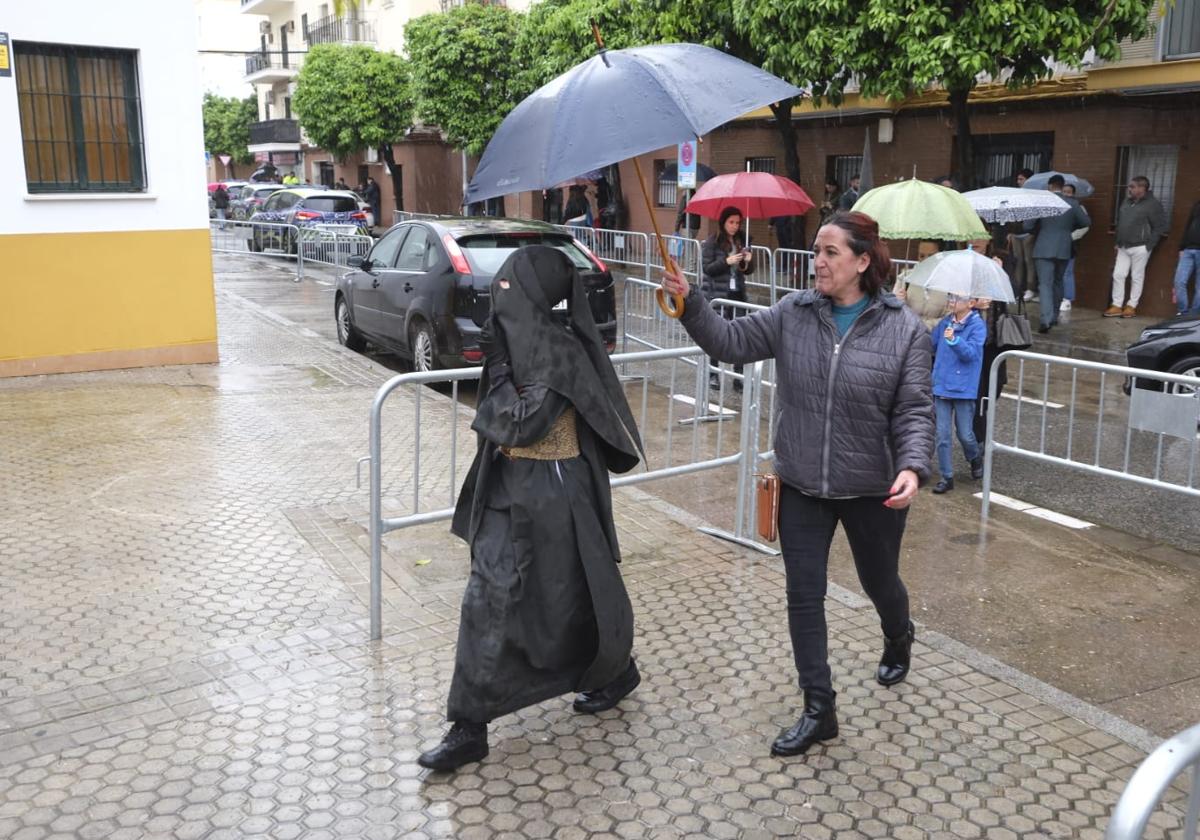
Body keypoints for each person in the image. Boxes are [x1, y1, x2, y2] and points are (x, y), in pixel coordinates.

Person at [660, 211, 933, 758]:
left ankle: (898, 632)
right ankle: (818, 708)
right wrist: (691, 301)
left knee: (880, 581)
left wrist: (912, 466)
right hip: (803, 482)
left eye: (831, 253)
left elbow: (914, 411)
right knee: (803, 597)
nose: (818, 263)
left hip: (872, 488)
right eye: (816, 251)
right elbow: (730, 343)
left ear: (862, 261)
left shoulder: (904, 328)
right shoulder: (794, 313)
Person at [418, 246, 646, 772]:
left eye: (506, 290)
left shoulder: (559, 353)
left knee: (572, 594)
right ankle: (470, 725)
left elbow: (522, 422)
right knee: (489, 597)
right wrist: (501, 363)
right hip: (510, 488)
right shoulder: (521, 343)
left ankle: (615, 670)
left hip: (557, 495)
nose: (497, 302)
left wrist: (496, 370)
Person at [930, 293, 986, 494]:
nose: (952, 301)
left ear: (971, 303)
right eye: (951, 297)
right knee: (942, 435)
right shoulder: (946, 321)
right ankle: (947, 477)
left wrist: (954, 340)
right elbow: (931, 344)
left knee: (965, 434)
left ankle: (974, 457)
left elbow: (971, 354)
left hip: (963, 388)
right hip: (941, 385)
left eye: (957, 299)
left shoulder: (977, 326)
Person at [1023, 174, 1090, 333]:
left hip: (1044, 247)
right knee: (1058, 282)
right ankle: (1053, 317)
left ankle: (1045, 320)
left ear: (1050, 186)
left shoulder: (1042, 203)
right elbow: (1086, 222)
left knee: (1045, 284)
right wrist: (1068, 229)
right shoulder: (1072, 203)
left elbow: (1027, 225)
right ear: (1062, 186)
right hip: (1064, 247)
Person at [700, 206, 755, 389]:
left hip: (737, 294)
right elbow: (707, 269)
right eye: (731, 222)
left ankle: (738, 377)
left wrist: (748, 262)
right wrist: (726, 262)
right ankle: (713, 373)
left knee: (740, 334)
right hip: (718, 295)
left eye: (737, 223)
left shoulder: (742, 241)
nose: (734, 226)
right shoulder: (712, 243)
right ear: (723, 222)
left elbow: (747, 271)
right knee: (718, 334)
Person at [1107, 176, 1168, 318]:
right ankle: (1116, 305)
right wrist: (1117, 241)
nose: (1129, 189)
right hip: (1123, 246)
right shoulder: (1126, 202)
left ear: (1142, 188)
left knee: (1137, 276)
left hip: (1141, 246)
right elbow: (1120, 222)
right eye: (1130, 186)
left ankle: (1131, 306)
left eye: (1132, 186)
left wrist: (1148, 245)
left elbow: (1159, 226)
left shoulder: (1153, 204)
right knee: (1118, 274)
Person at [1060, 183, 1089, 313]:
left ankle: (1067, 298)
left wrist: (1070, 237)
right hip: (1057, 243)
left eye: (1069, 192)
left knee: (1067, 271)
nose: (1066, 194)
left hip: (1070, 243)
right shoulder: (1058, 206)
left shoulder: (1079, 207)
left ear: (1073, 194)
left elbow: (1085, 226)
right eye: (1064, 191)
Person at [1009, 169, 1037, 301]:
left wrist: (1033, 232)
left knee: (1029, 261)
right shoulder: (1015, 195)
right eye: (1018, 179)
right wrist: (1009, 231)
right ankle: (1018, 288)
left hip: (1028, 234)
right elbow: (1010, 213)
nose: (1018, 182)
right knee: (1018, 261)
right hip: (1015, 233)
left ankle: (1030, 288)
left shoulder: (1034, 195)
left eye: (1021, 179)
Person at [1174, 200, 1200, 316]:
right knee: (1179, 281)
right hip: (1188, 249)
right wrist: (1181, 248)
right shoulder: (1197, 204)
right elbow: (1188, 226)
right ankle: (1182, 313)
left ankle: (1193, 315)